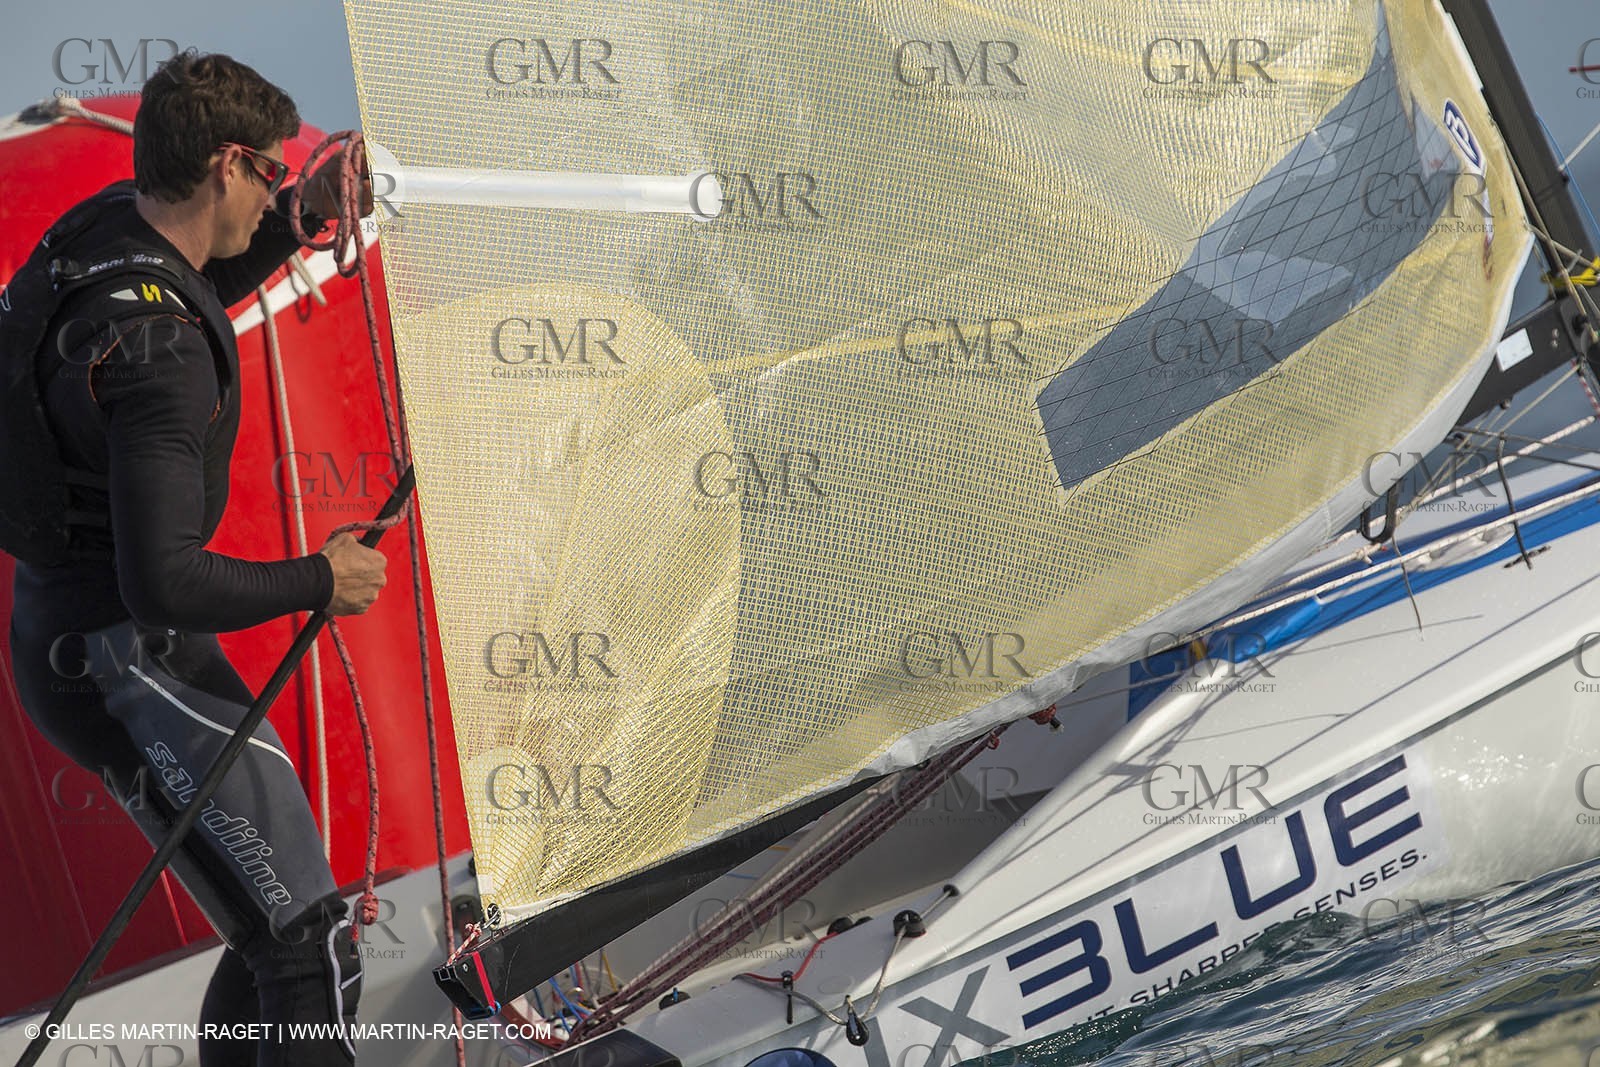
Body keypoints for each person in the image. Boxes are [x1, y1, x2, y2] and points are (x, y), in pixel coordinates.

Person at [5, 50, 387, 1066]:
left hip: (76, 635)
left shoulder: (106, 229)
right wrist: (323, 577)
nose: (270, 197)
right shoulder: (162, 362)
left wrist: (305, 214)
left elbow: (197, 272)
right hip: (122, 661)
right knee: (307, 945)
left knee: (276, 929)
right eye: (269, 175)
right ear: (226, 163)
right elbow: (164, 579)